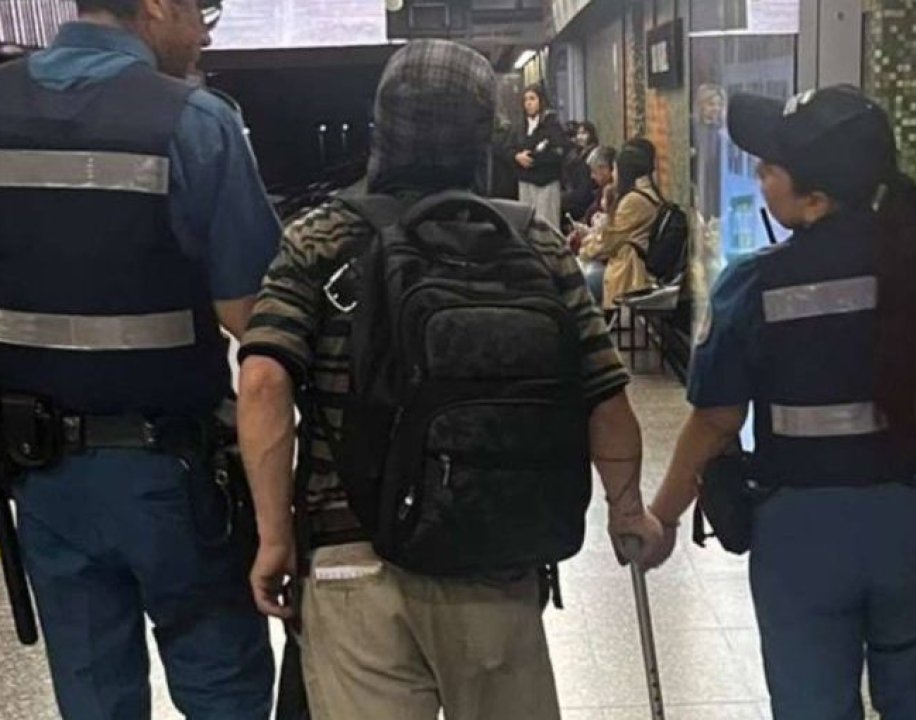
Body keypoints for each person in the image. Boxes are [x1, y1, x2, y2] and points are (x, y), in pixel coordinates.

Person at [236, 39, 666, 720]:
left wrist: (273, 537)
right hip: (490, 551)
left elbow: (263, 382)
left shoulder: (318, 236)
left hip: (350, 554)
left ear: (382, 125)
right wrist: (627, 509)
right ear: (484, 134)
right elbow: (603, 396)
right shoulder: (531, 242)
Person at [643, 86, 916, 719]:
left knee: (812, 707)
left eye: (771, 168)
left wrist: (662, 517)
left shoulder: (754, 286)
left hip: (802, 535)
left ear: (816, 198)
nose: (760, 176)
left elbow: (717, 421)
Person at [0, 1, 280, 717]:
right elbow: (251, 315)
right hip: (176, 476)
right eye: (200, 10)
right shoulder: (196, 119)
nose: (204, 32)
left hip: (45, 474)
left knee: (93, 695)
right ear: (155, 5)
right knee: (222, 683)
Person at [579, 140, 660, 310]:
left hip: (627, 273)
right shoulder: (642, 195)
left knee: (577, 281)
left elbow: (609, 242)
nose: (613, 175)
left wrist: (584, 249)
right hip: (623, 264)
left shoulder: (633, 201)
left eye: (615, 169)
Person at [511, 83, 567, 224]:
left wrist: (533, 158)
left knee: (546, 225)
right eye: (525, 100)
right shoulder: (520, 126)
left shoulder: (551, 124)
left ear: (540, 101)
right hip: (525, 182)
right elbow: (509, 147)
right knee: (527, 224)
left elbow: (559, 151)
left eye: (532, 98)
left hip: (546, 183)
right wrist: (517, 156)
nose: (528, 103)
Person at [692, 83, 727, 220]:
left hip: (718, 181)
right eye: (711, 104)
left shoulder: (722, 131)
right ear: (702, 106)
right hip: (701, 183)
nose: (716, 108)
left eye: (719, 105)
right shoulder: (694, 129)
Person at [561, 120, 599, 225]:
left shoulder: (594, 153)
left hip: (588, 195)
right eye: (578, 133)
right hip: (576, 191)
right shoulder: (576, 154)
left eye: (584, 133)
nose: (580, 137)